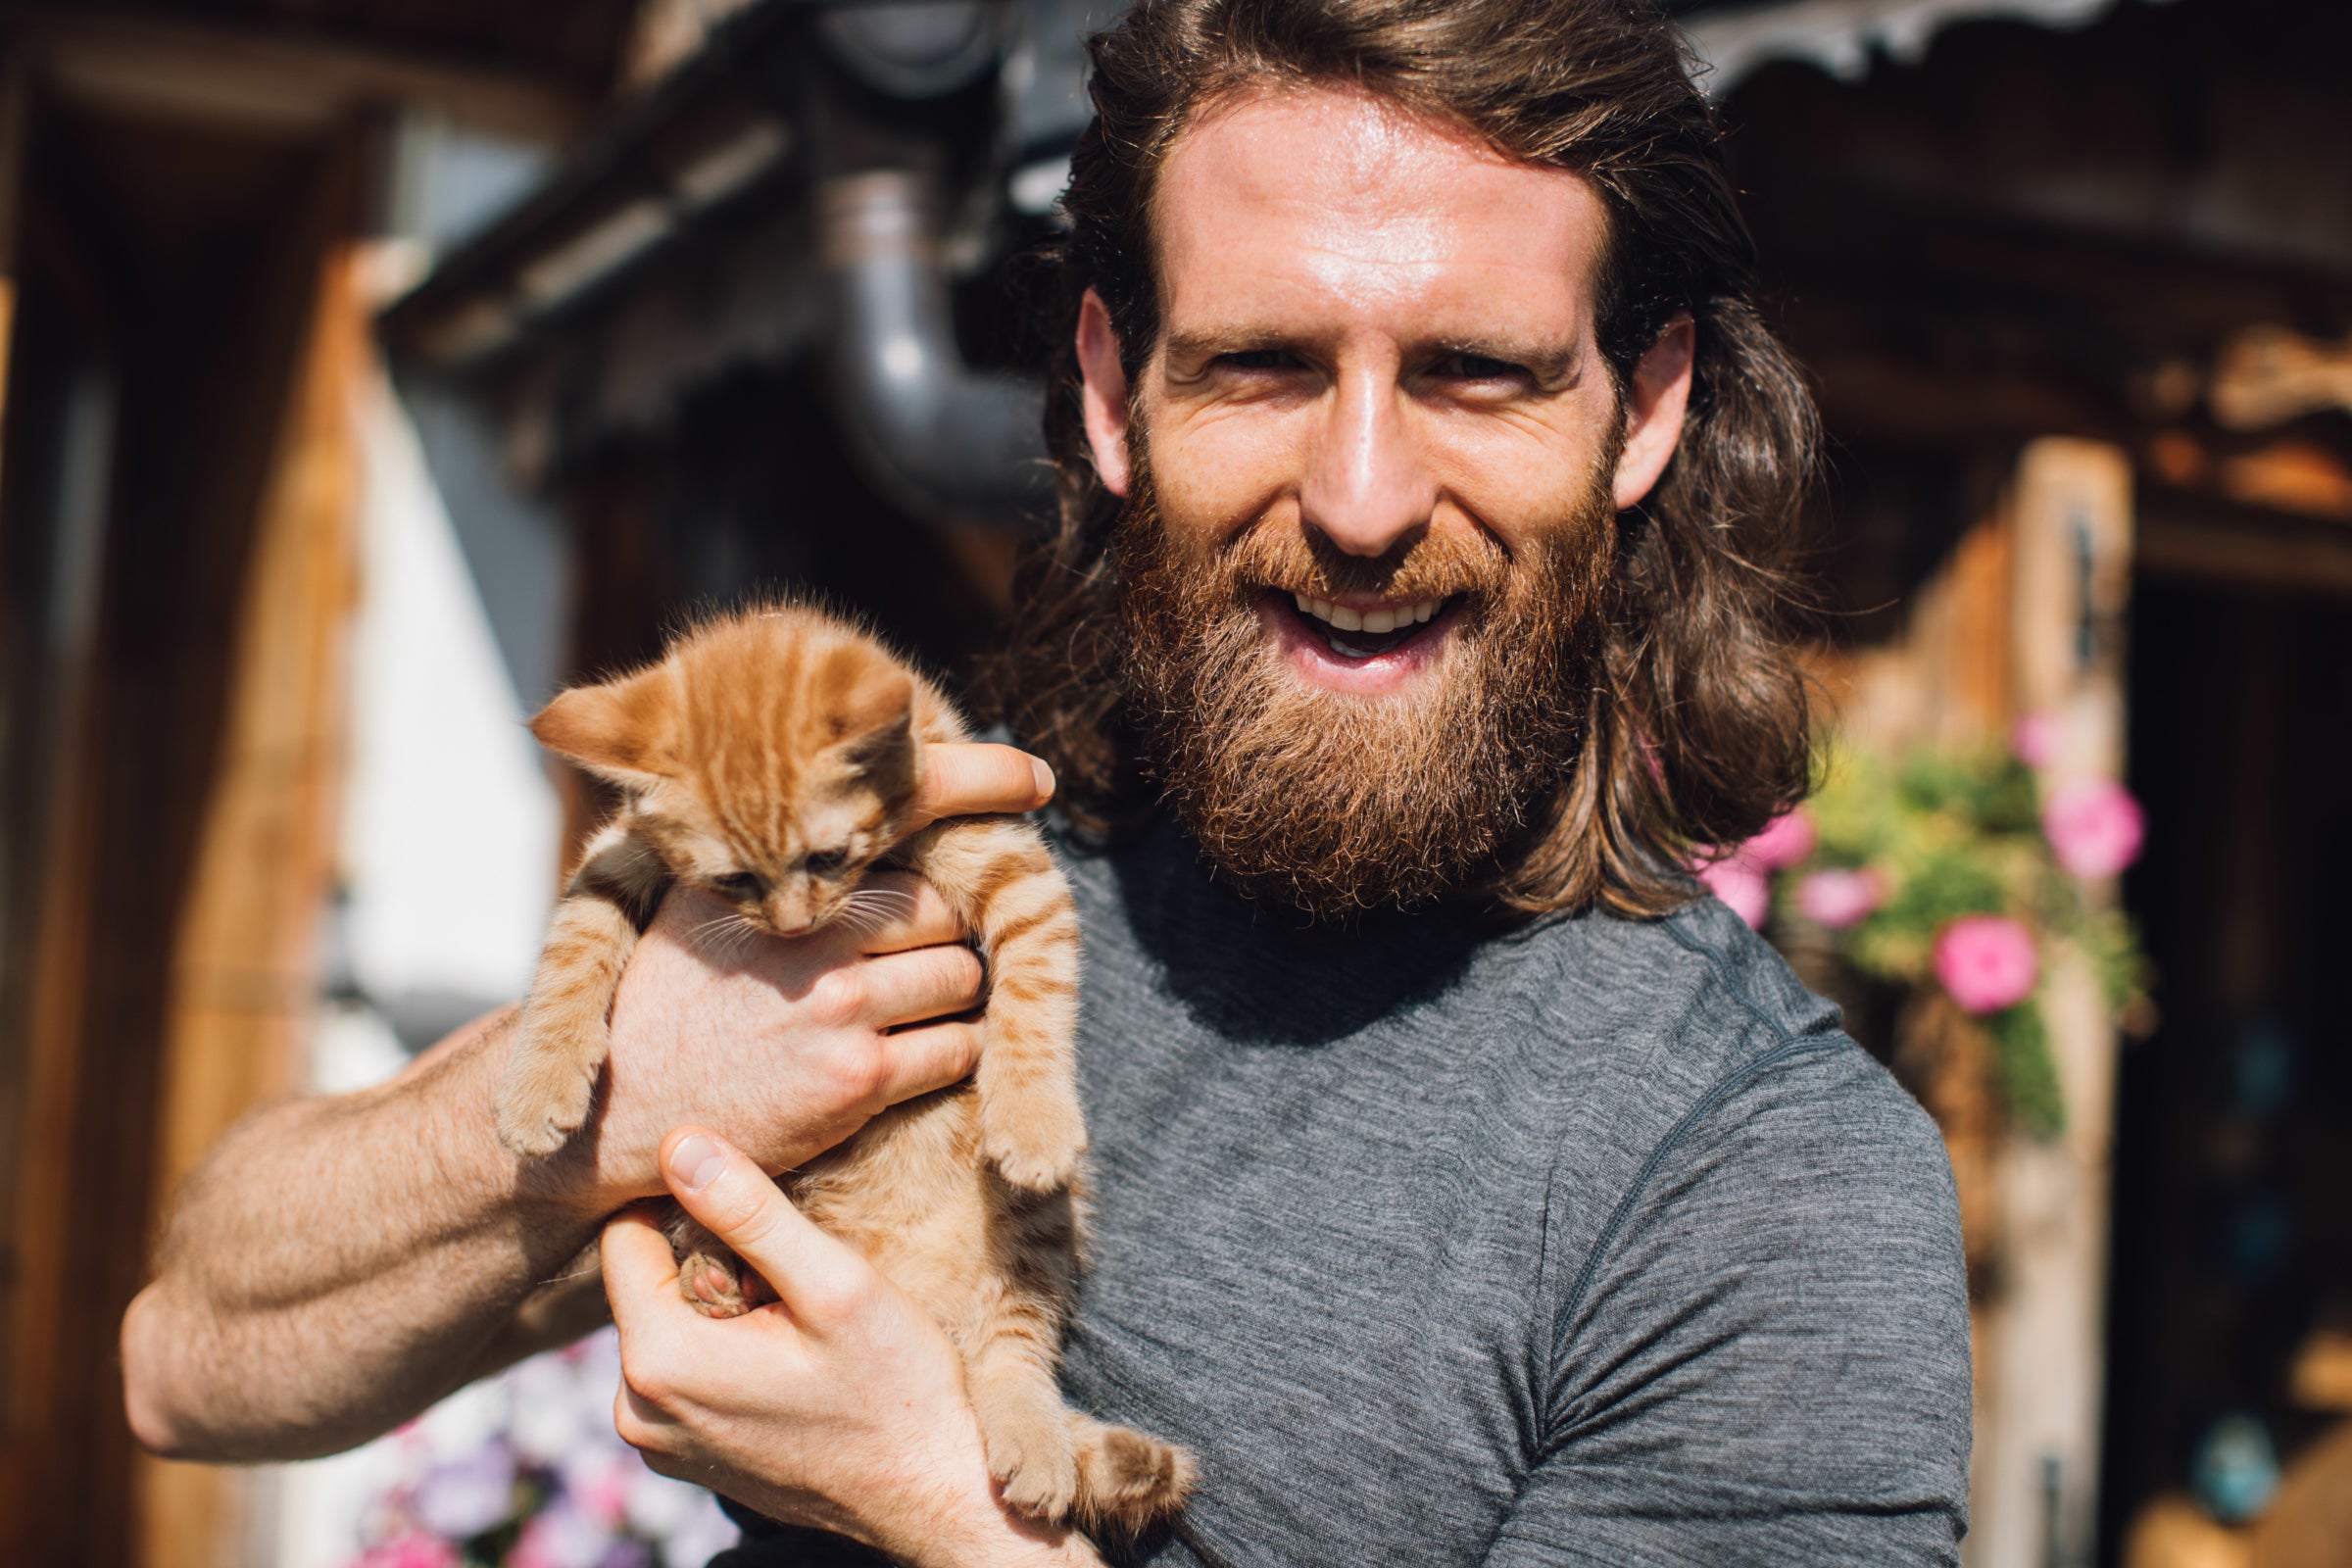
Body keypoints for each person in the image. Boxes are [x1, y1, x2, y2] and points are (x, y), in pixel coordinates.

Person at [122, 1, 1973, 1564]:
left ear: (1642, 413)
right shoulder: (933, 887)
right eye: (1260, 364)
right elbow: (190, 1355)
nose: (1358, 500)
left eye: (1475, 374)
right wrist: (631, 1089)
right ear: (1110, 389)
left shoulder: (1764, 1199)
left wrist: (941, 1509)